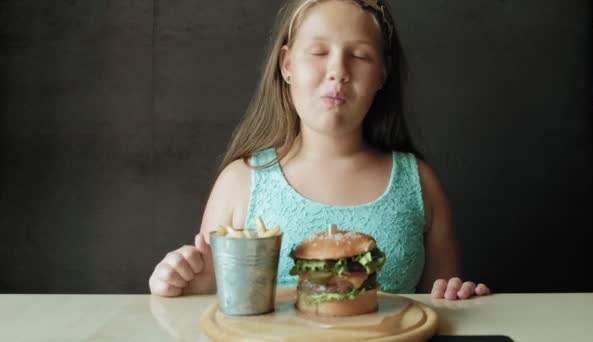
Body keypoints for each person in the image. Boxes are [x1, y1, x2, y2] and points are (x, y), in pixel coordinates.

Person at [149, 0, 490, 300]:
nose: (338, 71)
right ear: (286, 65)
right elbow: (210, 306)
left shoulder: (420, 184)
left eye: (359, 55)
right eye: (318, 52)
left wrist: (458, 295)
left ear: (382, 74)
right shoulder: (240, 182)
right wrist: (185, 286)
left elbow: (444, 307)